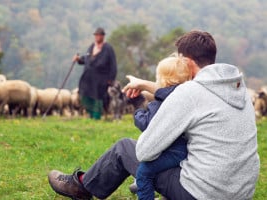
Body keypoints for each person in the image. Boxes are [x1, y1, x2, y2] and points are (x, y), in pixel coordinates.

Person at [48, 30, 260, 200]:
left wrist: (140, 105)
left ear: (187, 63)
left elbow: (144, 151)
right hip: (239, 192)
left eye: (178, 60)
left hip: (201, 194)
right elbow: (178, 92)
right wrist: (144, 85)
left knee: (125, 148)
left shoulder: (190, 94)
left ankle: (82, 185)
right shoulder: (236, 88)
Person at [133, 54, 192, 200]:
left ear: (163, 81)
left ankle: (144, 193)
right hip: (183, 149)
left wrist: (138, 110)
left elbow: (147, 124)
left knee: (143, 172)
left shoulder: (162, 102)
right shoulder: (185, 96)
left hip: (172, 151)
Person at [73, 27, 117, 120]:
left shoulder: (108, 48)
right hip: (88, 79)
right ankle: (90, 114)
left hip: (101, 80)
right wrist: (79, 59)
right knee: (85, 95)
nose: (97, 37)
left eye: (99, 35)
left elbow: (113, 65)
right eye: (96, 35)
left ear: (103, 36)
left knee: (98, 98)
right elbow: (87, 58)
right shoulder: (92, 47)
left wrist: (111, 79)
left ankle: (97, 116)